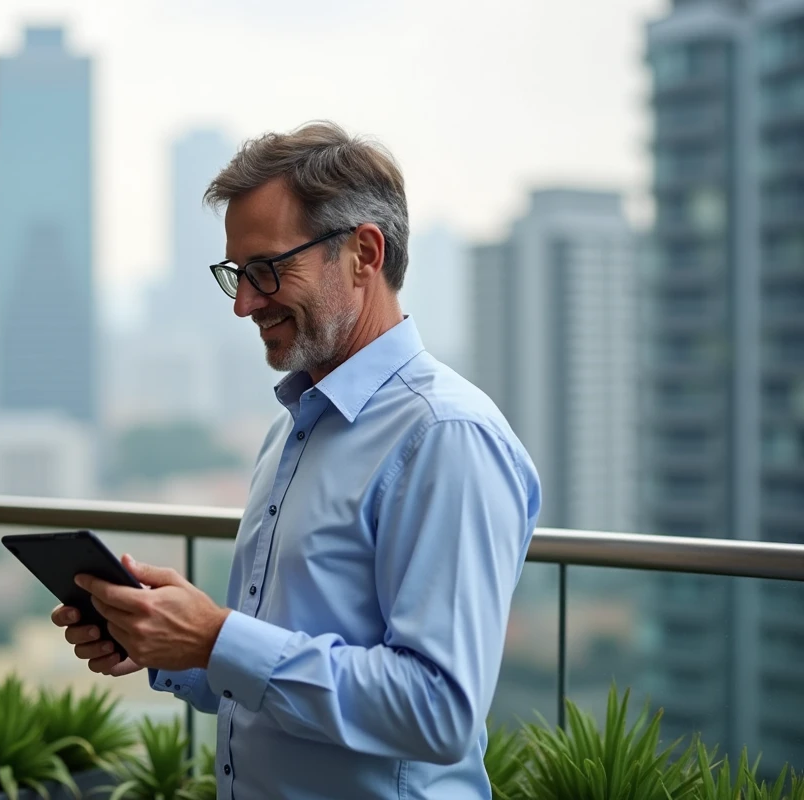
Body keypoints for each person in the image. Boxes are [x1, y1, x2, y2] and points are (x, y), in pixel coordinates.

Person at [51, 120, 541, 799]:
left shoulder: (444, 437)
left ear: (363, 253)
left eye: (268, 270)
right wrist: (170, 645)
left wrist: (219, 639)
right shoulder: (292, 430)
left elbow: (438, 711)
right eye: (237, 275)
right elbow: (274, 678)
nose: (245, 303)